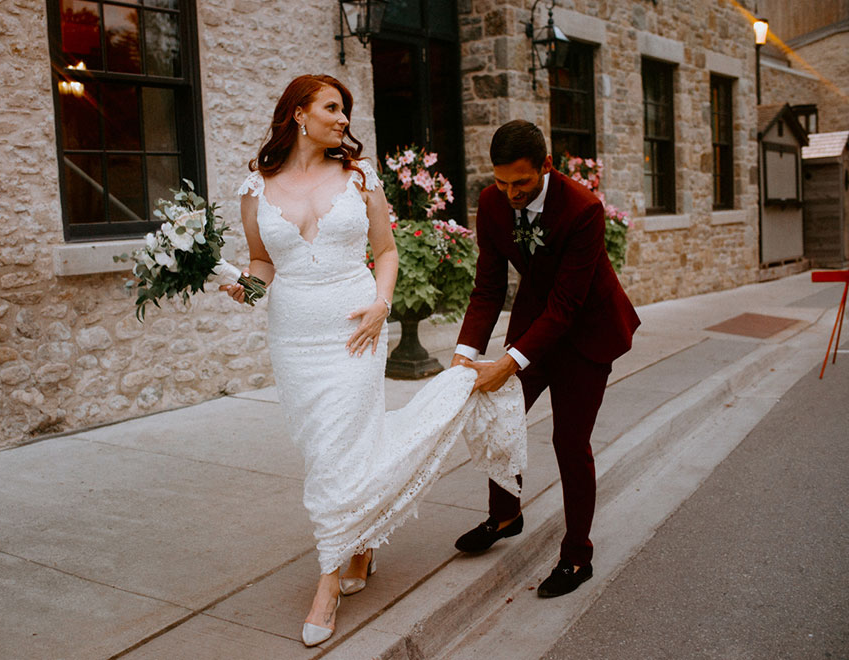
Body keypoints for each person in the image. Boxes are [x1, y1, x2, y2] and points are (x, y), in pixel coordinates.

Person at [221, 75, 526, 647]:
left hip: (355, 334)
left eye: (346, 110)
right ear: (298, 115)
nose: (343, 119)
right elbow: (263, 265)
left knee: (340, 447)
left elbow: (384, 252)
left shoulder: (360, 177)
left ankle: (328, 582)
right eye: (333, 108)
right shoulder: (255, 188)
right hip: (294, 341)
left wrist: (381, 306)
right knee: (327, 452)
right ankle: (360, 544)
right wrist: (244, 287)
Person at [452, 120, 641, 598]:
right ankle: (505, 516)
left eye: (521, 182)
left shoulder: (583, 209)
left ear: (547, 167)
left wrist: (507, 363)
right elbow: (489, 286)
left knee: (569, 442)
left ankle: (577, 556)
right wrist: (464, 354)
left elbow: (567, 305)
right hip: (537, 325)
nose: (509, 192)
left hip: (587, 332)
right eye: (500, 181)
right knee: (501, 420)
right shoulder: (492, 204)